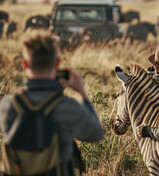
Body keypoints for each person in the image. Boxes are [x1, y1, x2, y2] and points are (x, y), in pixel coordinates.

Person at [0, 30, 103, 175]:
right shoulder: (68, 107)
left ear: (25, 64)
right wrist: (82, 93)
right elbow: (96, 134)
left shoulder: (7, 106)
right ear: (57, 63)